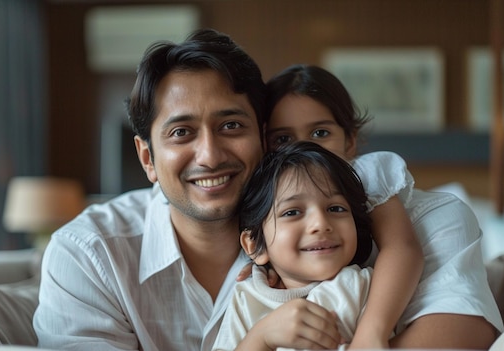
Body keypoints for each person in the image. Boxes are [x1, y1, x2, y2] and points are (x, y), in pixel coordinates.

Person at [33, 29, 341, 351]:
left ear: (263, 140)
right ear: (147, 158)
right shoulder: (90, 255)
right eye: (182, 132)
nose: (210, 156)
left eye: (231, 126)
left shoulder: (326, 233)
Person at [263, 63, 504, 349]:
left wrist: (371, 333)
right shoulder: (268, 211)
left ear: (350, 141)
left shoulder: (368, 175)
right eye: (283, 139)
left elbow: (401, 248)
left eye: (320, 134)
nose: (306, 149)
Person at [212, 141, 380, 351]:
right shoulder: (247, 299)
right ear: (255, 245)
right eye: (292, 212)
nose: (320, 224)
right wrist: (261, 337)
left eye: (336, 208)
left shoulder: (366, 287)